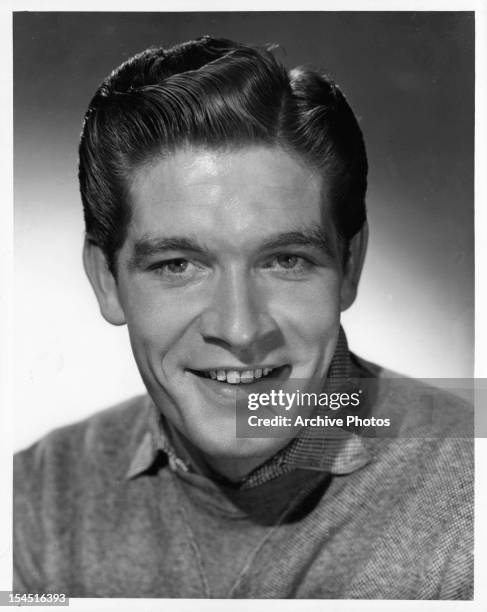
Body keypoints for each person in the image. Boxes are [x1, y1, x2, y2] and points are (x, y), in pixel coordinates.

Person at [13, 36, 473, 599]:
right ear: (107, 281)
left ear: (350, 265)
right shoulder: (35, 497)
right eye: (178, 264)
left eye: (286, 261)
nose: (239, 329)